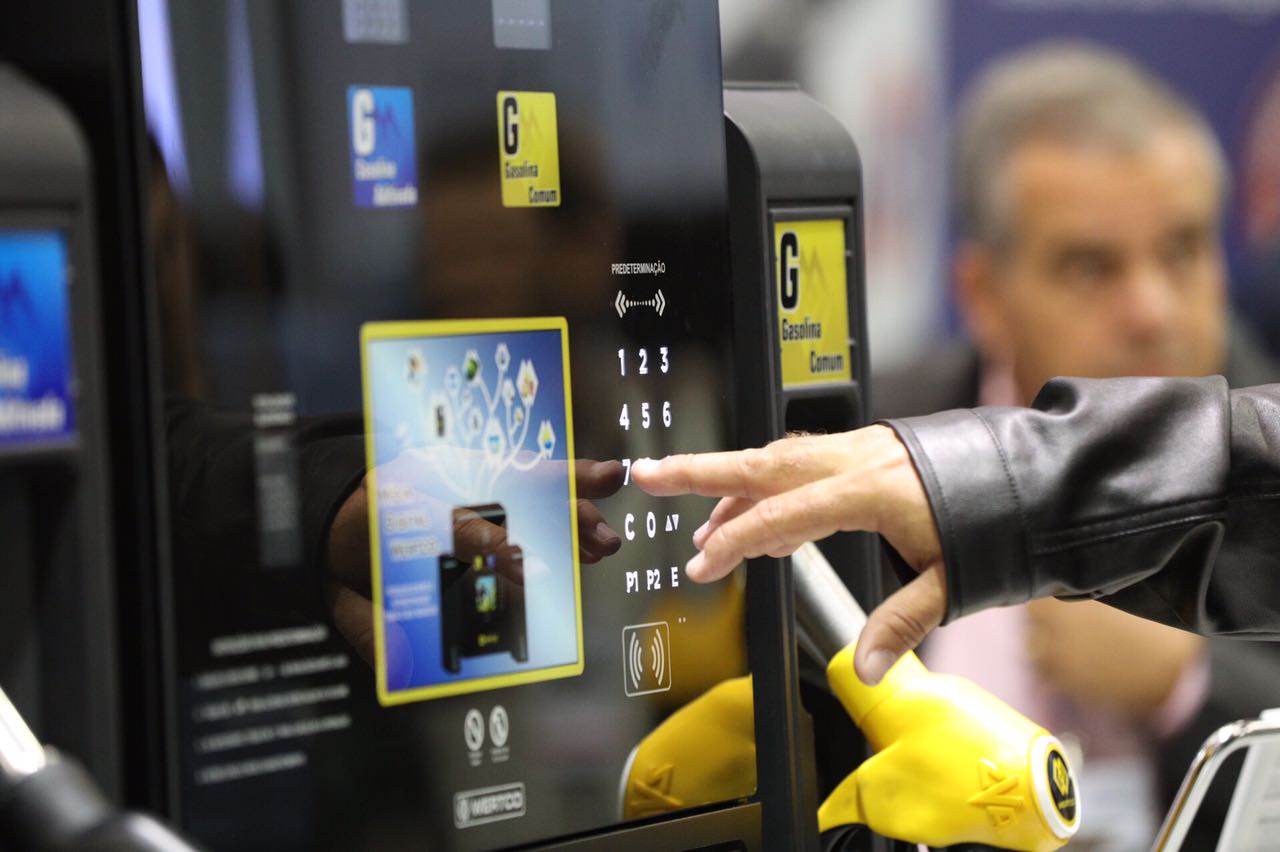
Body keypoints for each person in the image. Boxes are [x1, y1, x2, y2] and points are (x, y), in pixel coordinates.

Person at [870, 42, 1280, 846]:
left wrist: (1184, 683)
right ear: (984, 297)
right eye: (1092, 267)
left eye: (1182, 251)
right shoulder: (880, 448)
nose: (1153, 310)